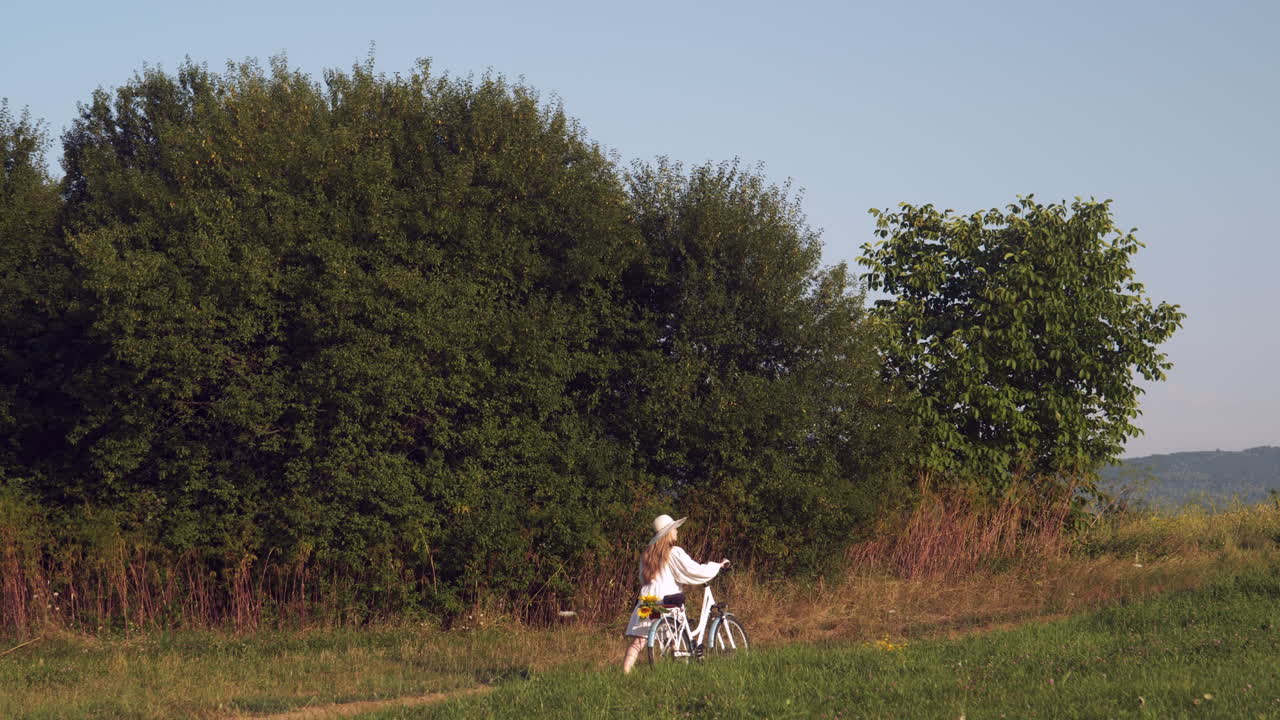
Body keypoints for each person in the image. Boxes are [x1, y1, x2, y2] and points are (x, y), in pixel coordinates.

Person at [621, 514, 729, 673]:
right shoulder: (673, 552)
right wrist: (717, 566)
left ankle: (625, 673)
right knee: (674, 637)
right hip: (667, 599)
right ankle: (680, 670)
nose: (677, 532)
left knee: (639, 640)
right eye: (675, 529)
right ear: (669, 532)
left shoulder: (646, 555)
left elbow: (641, 578)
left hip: (649, 600)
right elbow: (693, 571)